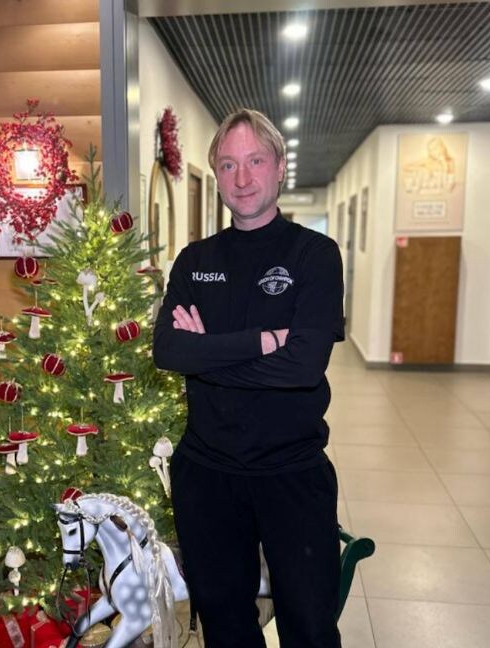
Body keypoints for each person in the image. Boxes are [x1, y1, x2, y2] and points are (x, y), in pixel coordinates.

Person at [152, 109, 344, 648]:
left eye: (255, 161)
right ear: (216, 174)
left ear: (280, 167)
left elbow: (303, 366)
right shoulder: (195, 260)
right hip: (207, 473)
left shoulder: (314, 255)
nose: (242, 178)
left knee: (310, 627)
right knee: (226, 627)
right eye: (228, 164)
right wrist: (262, 341)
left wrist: (206, 352)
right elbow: (168, 351)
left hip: (291, 472)